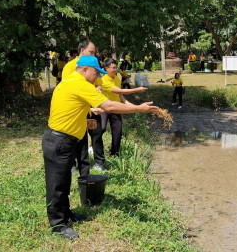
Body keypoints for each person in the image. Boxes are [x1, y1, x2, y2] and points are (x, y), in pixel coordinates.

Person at [42, 55, 158, 239]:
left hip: (62, 139)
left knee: (64, 181)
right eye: (96, 72)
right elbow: (110, 105)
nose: (97, 77)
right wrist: (139, 108)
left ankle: (66, 214)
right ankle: (57, 225)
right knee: (57, 184)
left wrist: (86, 118)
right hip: (60, 141)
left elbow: (70, 107)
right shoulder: (81, 84)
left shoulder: (69, 80)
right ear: (85, 70)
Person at [62, 41, 96, 176]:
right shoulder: (70, 67)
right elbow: (67, 88)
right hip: (73, 111)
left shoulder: (91, 65)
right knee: (71, 139)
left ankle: (85, 174)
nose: (94, 55)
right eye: (91, 52)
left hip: (86, 108)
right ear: (82, 50)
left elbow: (96, 84)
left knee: (83, 141)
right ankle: (71, 165)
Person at [101, 58, 148, 157]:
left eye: (116, 68)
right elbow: (119, 91)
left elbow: (120, 96)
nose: (115, 70)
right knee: (101, 129)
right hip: (104, 108)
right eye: (113, 68)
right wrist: (137, 89)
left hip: (116, 107)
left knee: (118, 131)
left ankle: (115, 154)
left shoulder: (117, 79)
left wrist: (130, 105)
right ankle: (95, 148)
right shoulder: (103, 80)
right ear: (106, 68)